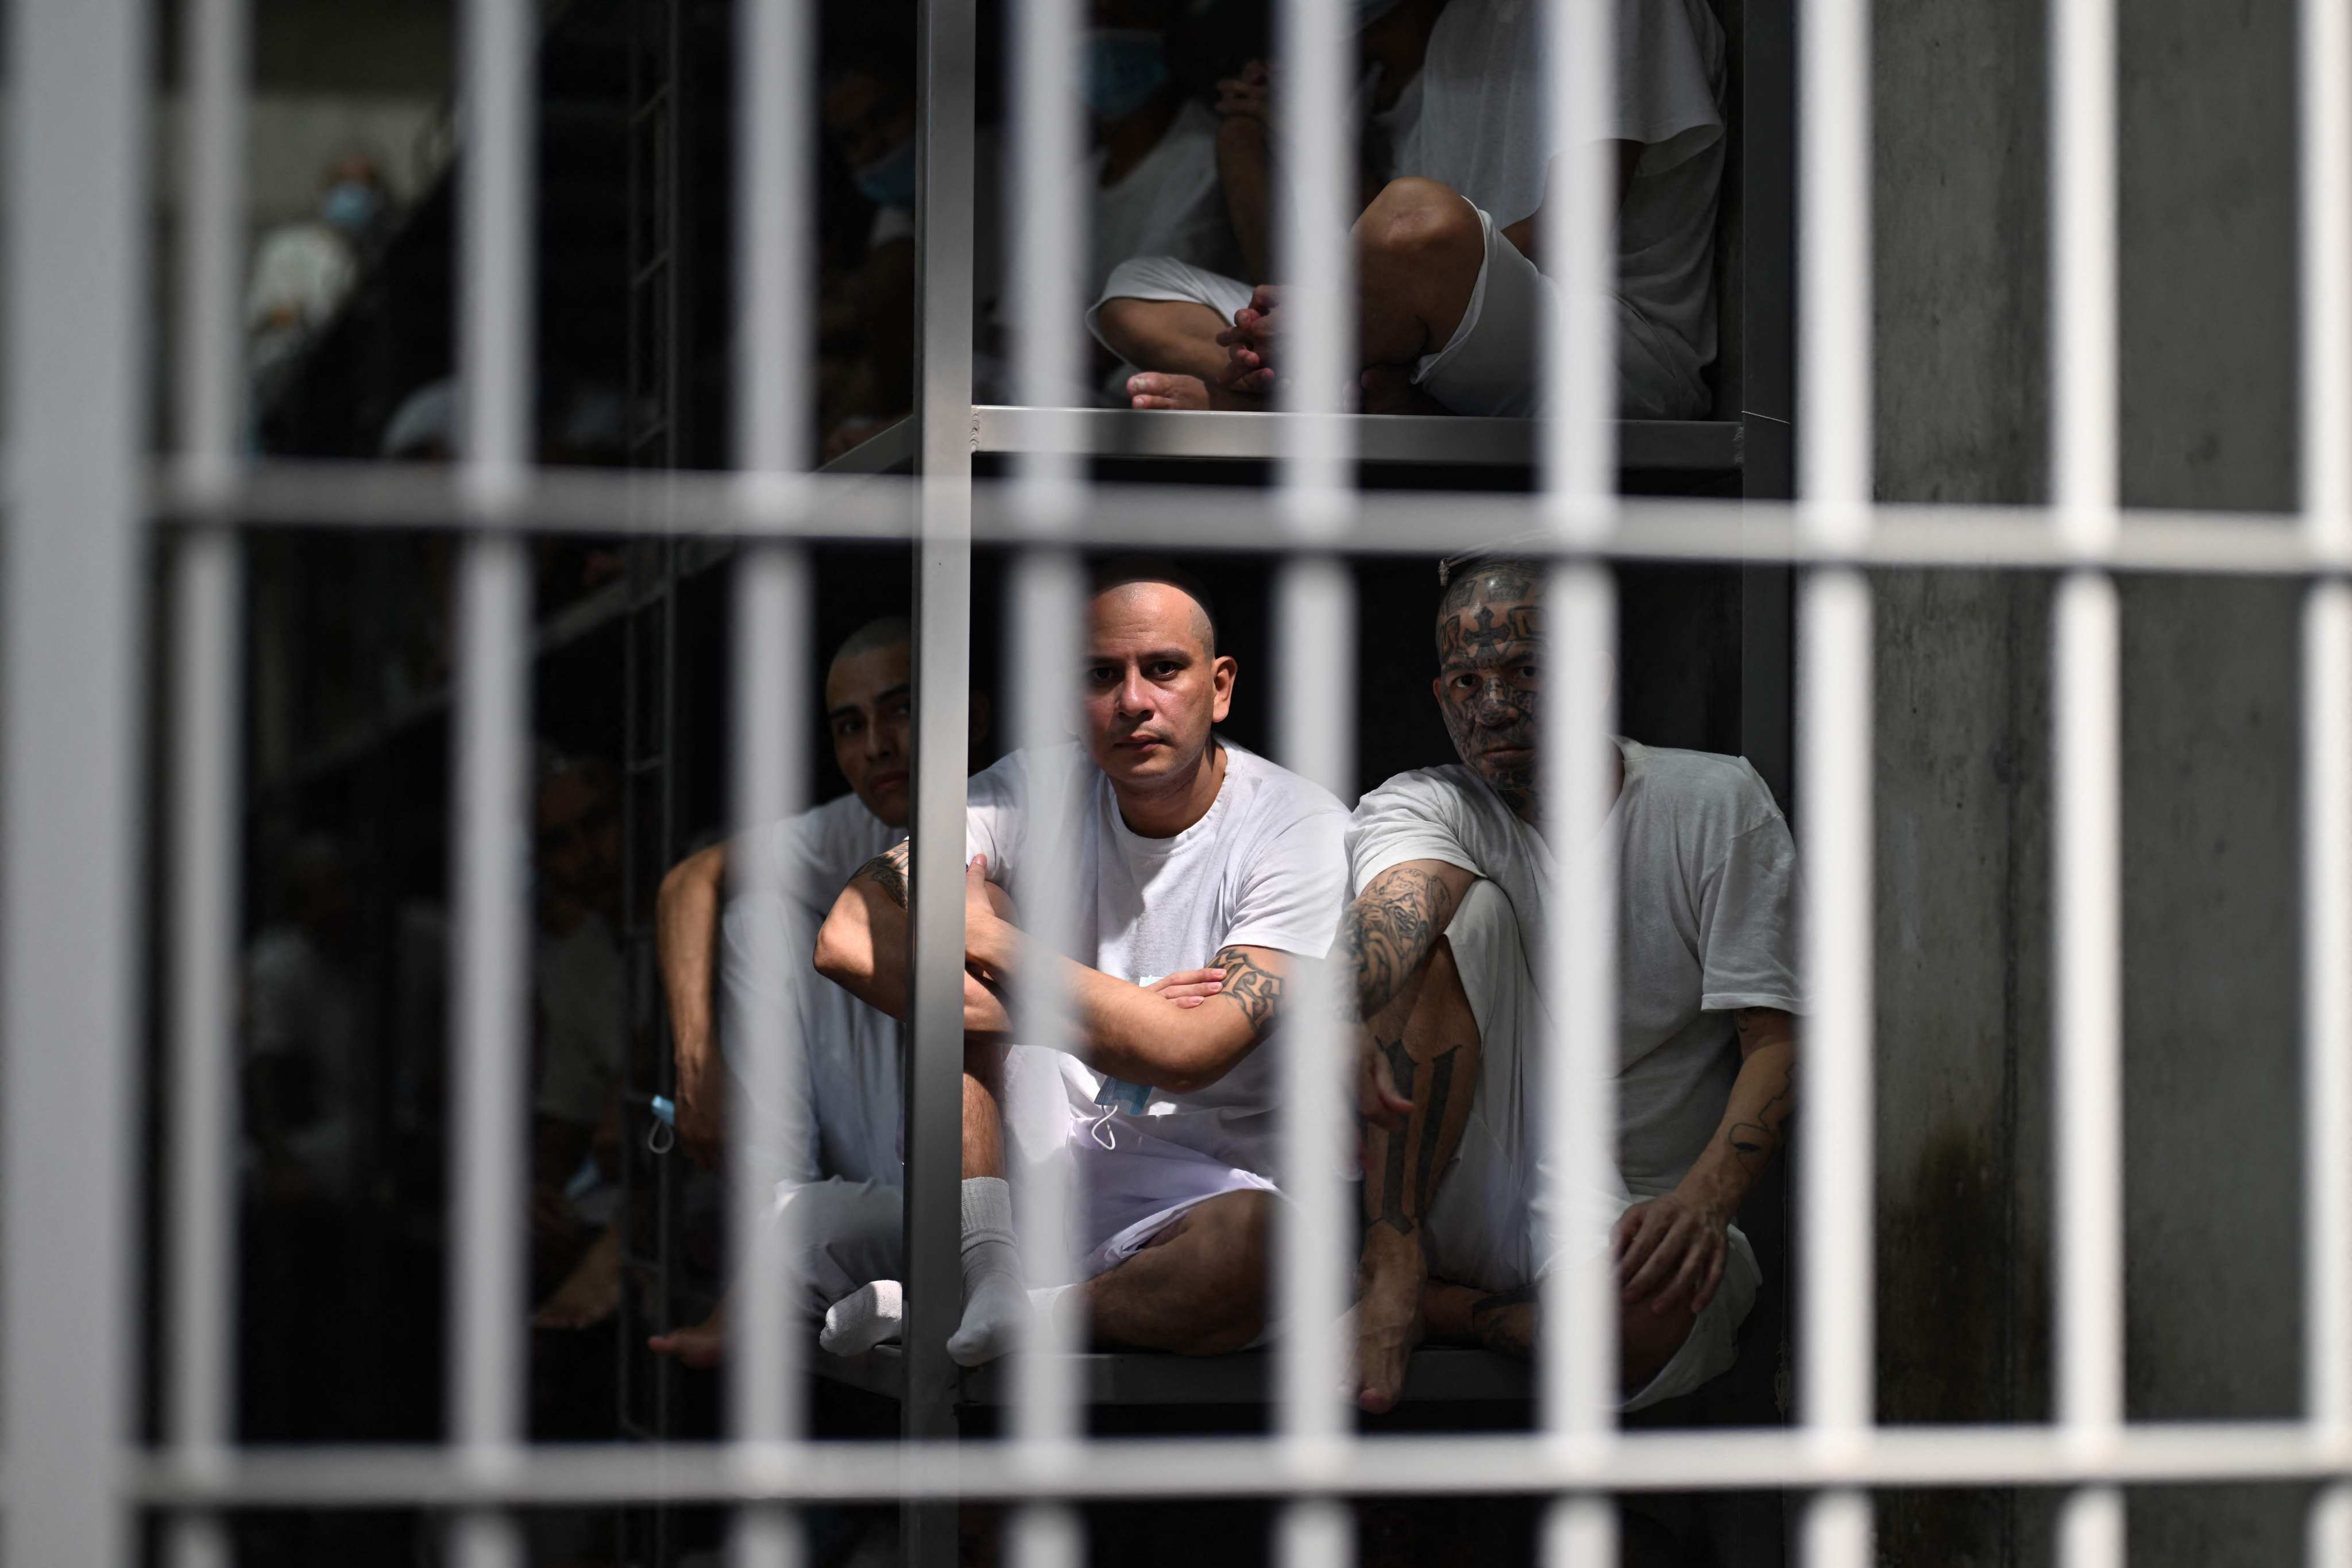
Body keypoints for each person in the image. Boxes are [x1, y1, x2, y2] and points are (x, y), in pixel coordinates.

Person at [812, 562, 1349, 1365]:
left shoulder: (1297, 826)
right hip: (1027, 1172)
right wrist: (1102, 1011)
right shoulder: (1034, 787)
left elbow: (1189, 1052)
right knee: (958, 922)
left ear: (1221, 685)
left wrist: (1001, 951)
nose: (1132, 700)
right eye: (1101, 675)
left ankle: (1003, 1309)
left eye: (1161, 669)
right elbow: (846, 939)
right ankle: (985, 1266)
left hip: (1209, 1198)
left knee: (1272, 1248)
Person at [1339, 554, 1801, 1413]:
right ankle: (1392, 1256)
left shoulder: (1710, 802)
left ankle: (1457, 1312)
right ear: (1441, 700)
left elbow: (1776, 1038)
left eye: (1525, 672)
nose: (1492, 705)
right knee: (1452, 923)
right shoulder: (1424, 802)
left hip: (1628, 1220)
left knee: (1642, 1318)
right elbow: (1402, 903)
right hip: (1462, 1190)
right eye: (1467, 682)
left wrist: (1702, 1201)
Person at [632, 615, 991, 1362]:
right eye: (848, 726)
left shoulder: (1010, 805)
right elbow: (689, 879)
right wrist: (699, 1068)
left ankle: (792, 1265)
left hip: (1009, 1193)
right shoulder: (857, 824)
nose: (876, 745)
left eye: (900, 709)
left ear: (969, 715)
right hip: (901, 1168)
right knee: (755, 916)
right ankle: (784, 1244)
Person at [1113, 0, 1727, 420]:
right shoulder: (1458, 24)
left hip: (1605, 349)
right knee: (1135, 293)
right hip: (1437, 330)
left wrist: (1339, 312)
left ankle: (1299, 387)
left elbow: (1563, 234)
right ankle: (1357, 391)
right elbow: (1383, 237)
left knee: (1417, 216)